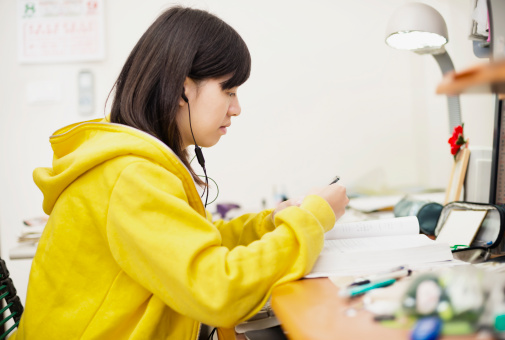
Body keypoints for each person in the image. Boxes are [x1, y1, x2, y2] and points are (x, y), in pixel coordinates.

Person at [13, 6, 348, 340]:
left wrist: (269, 223)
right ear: (181, 91)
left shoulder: (132, 164)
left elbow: (193, 239)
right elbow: (219, 293)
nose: (236, 108)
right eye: (228, 91)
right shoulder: (130, 176)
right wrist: (314, 219)